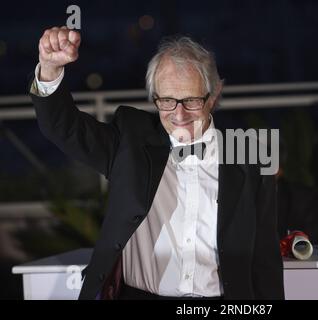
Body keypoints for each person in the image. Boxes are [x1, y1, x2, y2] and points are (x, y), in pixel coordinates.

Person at [30, 26, 284, 300]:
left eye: (190, 100)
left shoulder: (249, 156)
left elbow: (264, 258)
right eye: (166, 101)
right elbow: (64, 128)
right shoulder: (130, 140)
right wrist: (49, 69)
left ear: (214, 95)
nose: (179, 114)